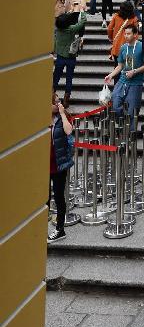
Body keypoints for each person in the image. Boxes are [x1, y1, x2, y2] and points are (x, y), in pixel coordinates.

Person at [105, 24, 144, 128]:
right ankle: (122, 124)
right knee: (115, 106)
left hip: (136, 83)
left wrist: (134, 71)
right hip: (122, 81)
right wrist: (111, 75)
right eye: (125, 34)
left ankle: (131, 137)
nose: (126, 36)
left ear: (135, 35)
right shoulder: (123, 48)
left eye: (128, 34)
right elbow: (120, 65)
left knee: (132, 112)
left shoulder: (142, 46)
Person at [47, 92, 74, 242]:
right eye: (55, 102)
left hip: (59, 165)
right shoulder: (42, 119)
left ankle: (60, 230)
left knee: (58, 197)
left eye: (59, 102)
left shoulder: (62, 118)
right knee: (45, 199)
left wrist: (63, 114)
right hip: (44, 166)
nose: (57, 104)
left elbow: (69, 131)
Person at [53, 10, 86, 106]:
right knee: (69, 78)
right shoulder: (71, 29)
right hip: (71, 57)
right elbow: (82, 22)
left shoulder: (58, 29)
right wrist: (82, 11)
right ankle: (66, 99)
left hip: (60, 56)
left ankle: (52, 94)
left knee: (56, 76)